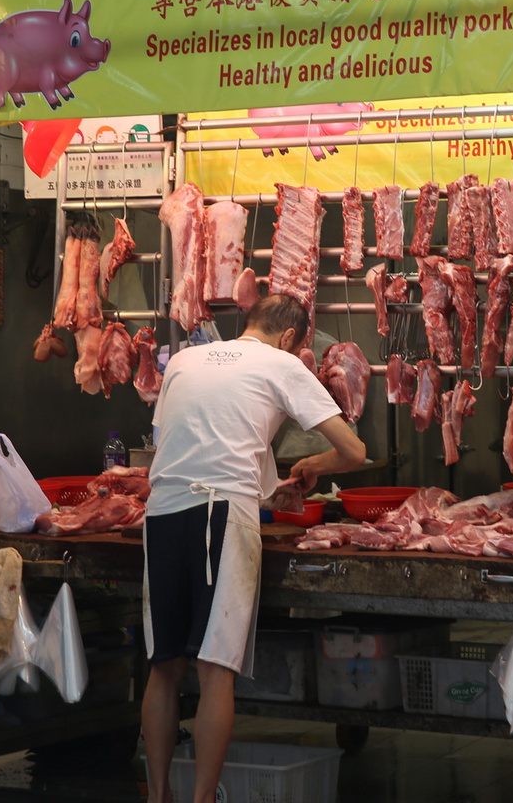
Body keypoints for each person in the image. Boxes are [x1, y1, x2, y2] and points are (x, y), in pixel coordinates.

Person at [142, 294, 366, 803]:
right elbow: (354, 451)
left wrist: (270, 490)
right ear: (290, 338)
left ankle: (157, 797)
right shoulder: (282, 362)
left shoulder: (183, 360)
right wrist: (315, 467)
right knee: (215, 668)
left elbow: (196, 442)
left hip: (162, 515)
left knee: (164, 665)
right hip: (218, 517)